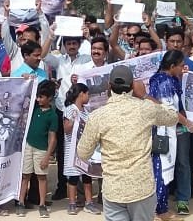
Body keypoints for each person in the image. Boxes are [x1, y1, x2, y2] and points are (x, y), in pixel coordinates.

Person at [77, 65, 179, 221]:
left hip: (114, 190)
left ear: (109, 86)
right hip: (142, 188)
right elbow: (173, 116)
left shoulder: (98, 116)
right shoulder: (146, 108)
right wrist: (144, 95)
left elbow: (83, 153)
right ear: (133, 86)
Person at [146, 50, 193, 219]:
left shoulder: (164, 79)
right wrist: (188, 123)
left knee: (162, 167)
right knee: (161, 168)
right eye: (180, 65)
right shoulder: (165, 83)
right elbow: (170, 111)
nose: (183, 67)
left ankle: (159, 207)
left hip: (165, 131)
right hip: (164, 132)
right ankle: (160, 210)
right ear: (171, 66)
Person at [17, 80, 59, 218]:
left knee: (41, 177)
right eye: (38, 96)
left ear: (50, 98)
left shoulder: (52, 116)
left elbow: (52, 138)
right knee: (25, 176)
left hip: (41, 149)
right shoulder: (33, 108)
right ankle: (21, 202)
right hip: (28, 146)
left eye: (42, 97)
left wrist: (48, 156)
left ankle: (42, 204)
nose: (38, 99)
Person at [62, 83, 99, 215]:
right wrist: (73, 118)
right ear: (81, 94)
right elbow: (66, 129)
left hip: (85, 150)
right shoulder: (69, 109)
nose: (88, 96)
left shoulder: (86, 112)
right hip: (72, 150)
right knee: (73, 178)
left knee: (87, 177)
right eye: (87, 94)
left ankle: (89, 203)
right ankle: (72, 203)